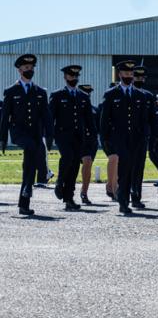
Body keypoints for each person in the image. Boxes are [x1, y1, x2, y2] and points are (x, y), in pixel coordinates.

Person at [1, 54, 53, 216]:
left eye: (31, 68)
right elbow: (5, 117)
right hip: (19, 133)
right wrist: (2, 139)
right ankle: (34, 182)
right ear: (19, 70)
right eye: (26, 68)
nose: (29, 70)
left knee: (31, 158)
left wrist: (49, 137)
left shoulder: (40, 92)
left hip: (35, 134)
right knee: (31, 149)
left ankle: (25, 199)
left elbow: (46, 117)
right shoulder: (11, 91)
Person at [99, 60, 151, 215]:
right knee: (124, 168)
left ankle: (125, 198)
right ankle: (123, 201)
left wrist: (144, 136)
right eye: (126, 73)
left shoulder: (140, 95)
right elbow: (104, 119)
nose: (129, 76)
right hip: (118, 138)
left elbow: (144, 119)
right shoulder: (111, 94)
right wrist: (106, 140)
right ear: (120, 74)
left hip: (135, 139)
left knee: (130, 170)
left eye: (131, 73)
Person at [49, 65, 95, 211]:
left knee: (75, 166)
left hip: (78, 136)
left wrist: (93, 136)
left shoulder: (83, 96)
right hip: (62, 135)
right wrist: (49, 136)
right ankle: (59, 181)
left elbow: (89, 120)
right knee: (67, 157)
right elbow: (51, 118)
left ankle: (69, 198)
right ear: (65, 77)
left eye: (76, 76)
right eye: (71, 76)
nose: (73, 78)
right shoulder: (57, 95)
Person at [129, 66, 156, 208]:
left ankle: (136, 196)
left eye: (142, 77)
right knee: (127, 166)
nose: (139, 79)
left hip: (142, 136)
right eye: (137, 77)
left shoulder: (148, 96)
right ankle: (123, 192)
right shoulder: (127, 94)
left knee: (139, 167)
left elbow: (152, 118)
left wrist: (154, 136)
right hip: (127, 136)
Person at [77, 84, 98, 205]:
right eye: (85, 92)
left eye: (89, 92)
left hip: (91, 142)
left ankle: (84, 192)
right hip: (78, 140)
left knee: (88, 164)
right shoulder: (73, 109)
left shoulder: (94, 110)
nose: (87, 95)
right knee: (73, 165)